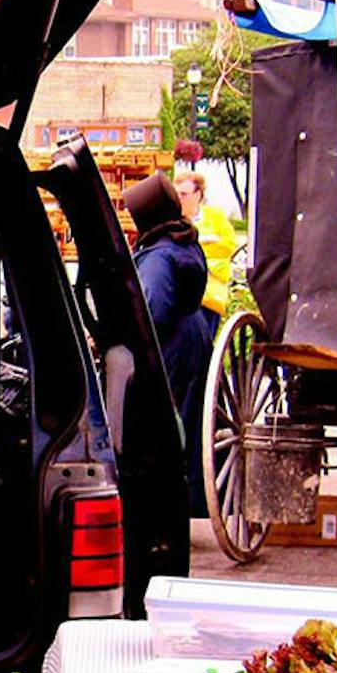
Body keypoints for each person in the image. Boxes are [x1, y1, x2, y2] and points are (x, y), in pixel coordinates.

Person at [122, 174, 214, 512]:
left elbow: (154, 308)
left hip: (170, 341)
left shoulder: (160, 254)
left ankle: (163, 505)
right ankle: (186, 500)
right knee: (188, 420)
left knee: (161, 425)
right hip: (194, 331)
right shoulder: (185, 241)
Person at [173, 170, 238, 319]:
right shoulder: (171, 220)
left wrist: (194, 246)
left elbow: (227, 246)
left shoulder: (216, 217)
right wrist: (204, 241)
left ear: (198, 194)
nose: (179, 199)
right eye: (176, 194)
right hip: (182, 297)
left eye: (183, 194)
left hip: (211, 296)